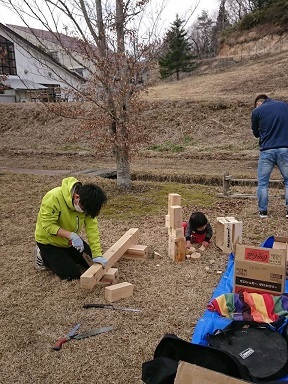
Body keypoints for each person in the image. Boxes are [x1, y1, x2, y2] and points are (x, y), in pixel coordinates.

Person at [34, 176, 108, 280]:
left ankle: (66, 254)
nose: (85, 213)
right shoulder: (54, 197)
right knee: (72, 275)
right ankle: (42, 255)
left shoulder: (87, 204)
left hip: (69, 242)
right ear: (77, 197)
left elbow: (92, 230)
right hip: (49, 242)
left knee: (91, 263)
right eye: (84, 210)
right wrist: (71, 235)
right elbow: (48, 225)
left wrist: (97, 254)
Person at [251, 94, 288, 218]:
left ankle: (263, 211)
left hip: (267, 150)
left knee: (263, 183)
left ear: (260, 102)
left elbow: (256, 133)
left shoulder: (257, 112)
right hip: (284, 148)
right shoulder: (283, 105)